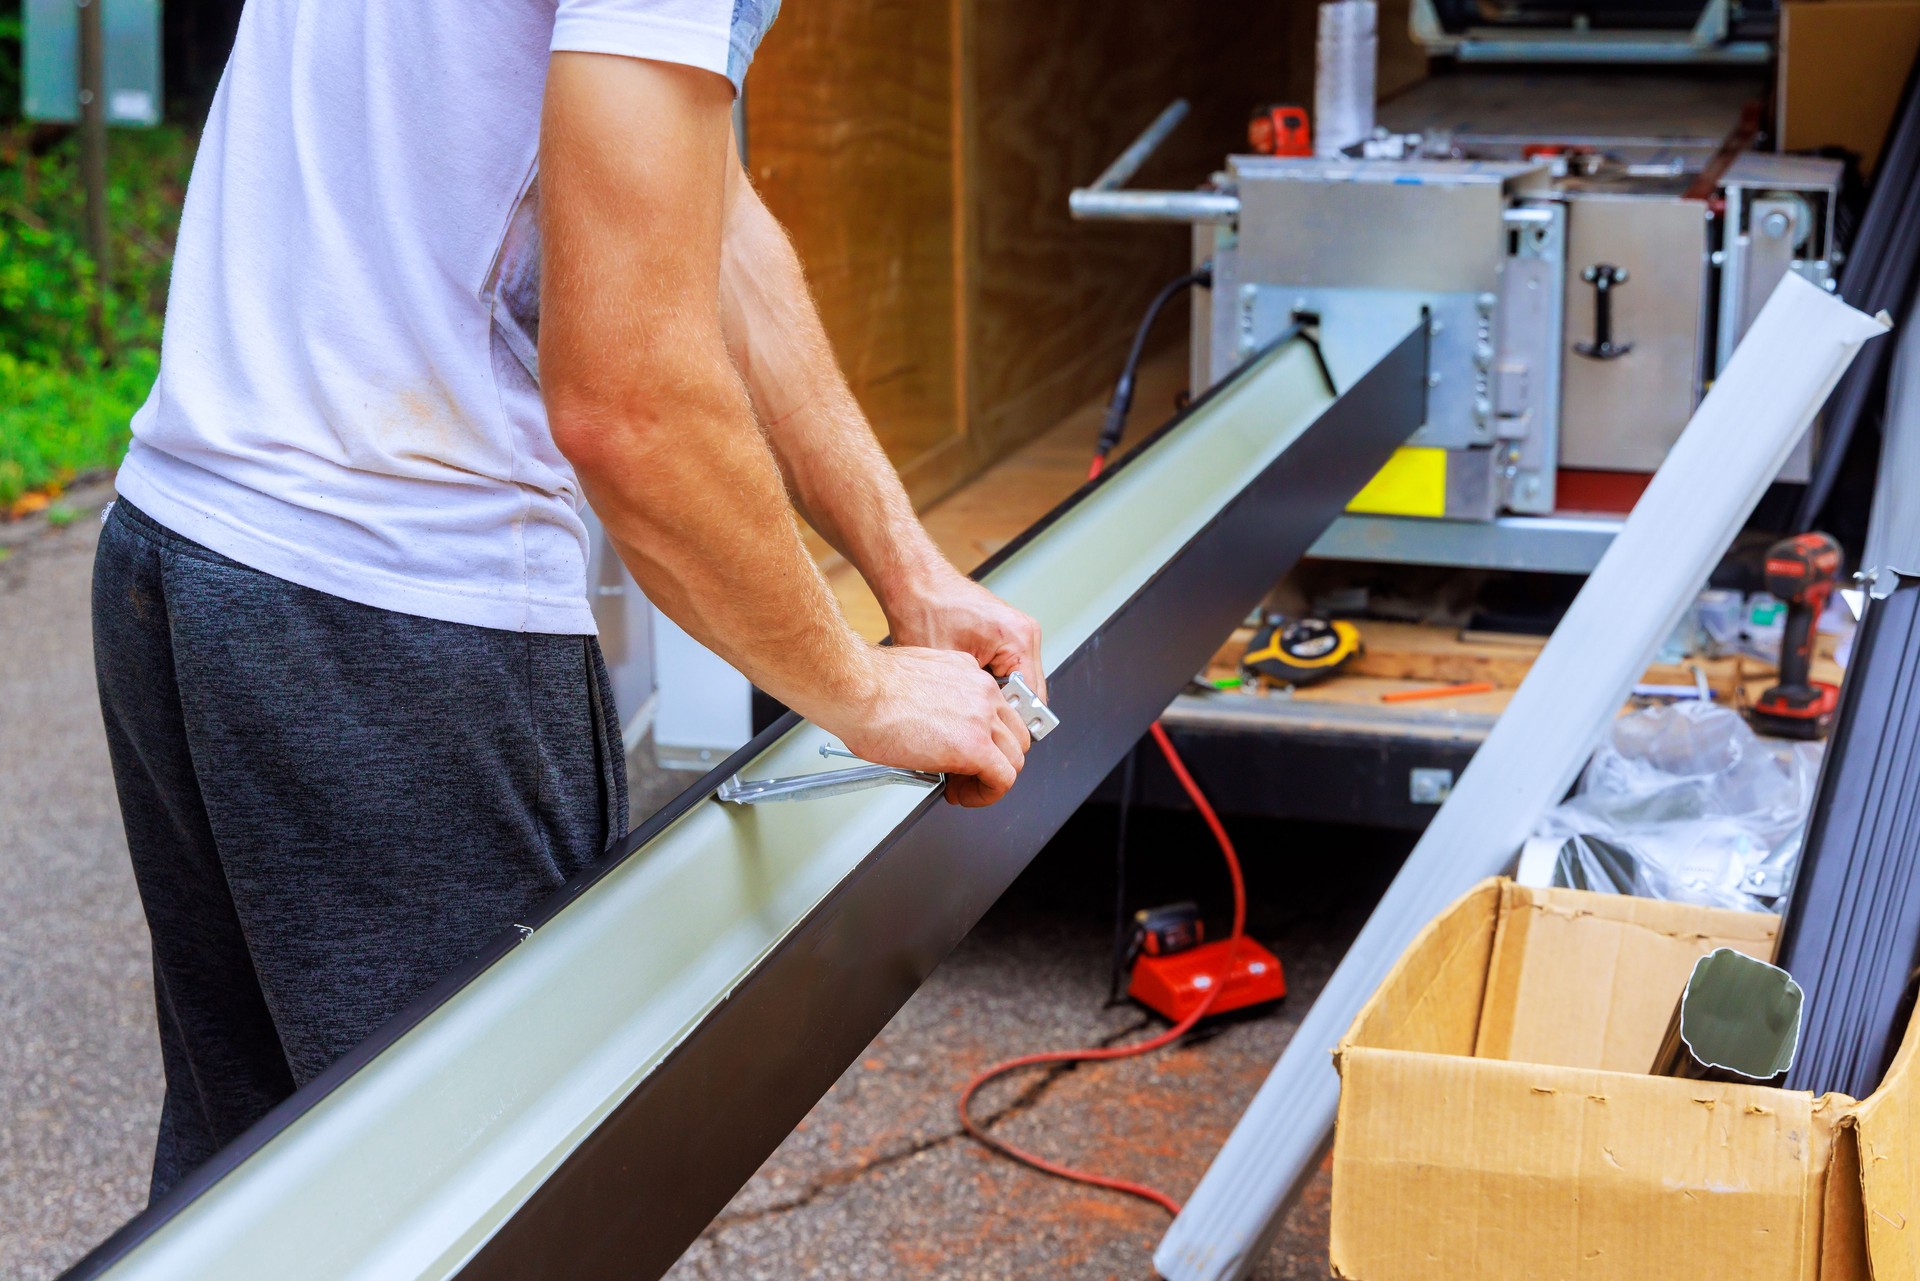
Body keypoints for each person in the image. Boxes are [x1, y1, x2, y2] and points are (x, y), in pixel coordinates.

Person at [91, 0, 1044, 1199]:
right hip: (395, 617)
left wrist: (908, 570)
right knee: (491, 1203)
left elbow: (701, 213)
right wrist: (853, 689)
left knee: (261, 1198)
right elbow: (629, 406)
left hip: (183, 546)